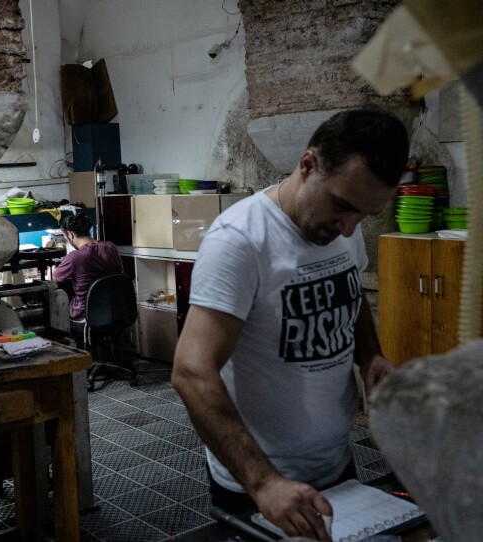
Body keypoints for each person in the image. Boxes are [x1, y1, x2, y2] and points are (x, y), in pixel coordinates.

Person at [171, 108, 409, 541]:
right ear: (307, 165)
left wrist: (369, 355)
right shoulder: (240, 242)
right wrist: (263, 484)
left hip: (336, 466)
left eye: (363, 215)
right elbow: (191, 372)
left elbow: (350, 294)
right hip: (260, 482)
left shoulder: (342, 225)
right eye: (342, 206)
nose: (348, 226)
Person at [52, 213, 122, 322]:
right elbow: (119, 272)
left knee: (57, 295)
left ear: (70, 234)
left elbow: (52, 280)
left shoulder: (75, 257)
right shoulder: (110, 247)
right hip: (113, 308)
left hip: (85, 313)